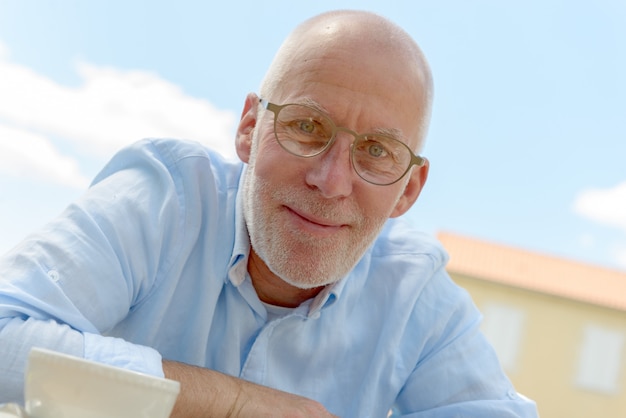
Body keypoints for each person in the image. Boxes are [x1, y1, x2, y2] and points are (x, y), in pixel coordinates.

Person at [0, 9, 538, 418]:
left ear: (408, 191)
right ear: (249, 129)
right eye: (306, 126)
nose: (330, 182)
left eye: (376, 151)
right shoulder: (166, 198)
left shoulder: (416, 293)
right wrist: (236, 404)